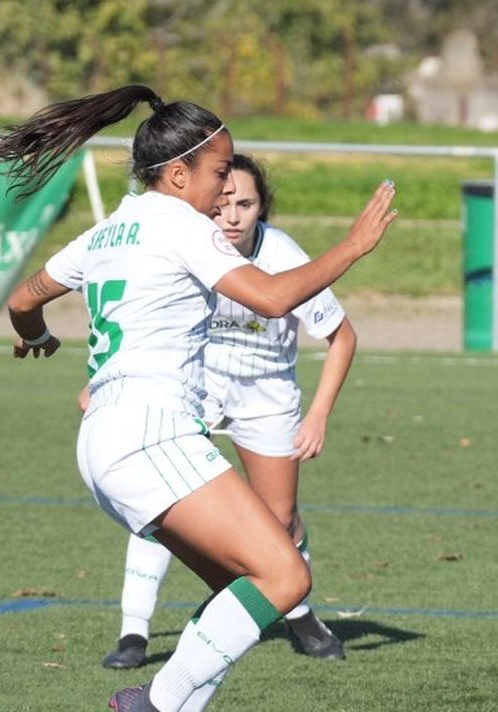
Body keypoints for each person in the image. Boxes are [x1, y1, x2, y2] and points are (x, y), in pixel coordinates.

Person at [0, 85, 396, 712]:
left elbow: (22, 299)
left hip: (104, 440)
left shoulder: (108, 230)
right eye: (217, 172)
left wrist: (39, 338)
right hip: (152, 432)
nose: (224, 188)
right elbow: (269, 299)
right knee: (287, 577)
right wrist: (354, 246)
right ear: (178, 176)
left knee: (240, 596)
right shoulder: (179, 224)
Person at [100, 152, 358, 670]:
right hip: (196, 384)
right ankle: (134, 633)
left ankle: (299, 611)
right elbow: (131, 314)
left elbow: (343, 336)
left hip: (267, 393)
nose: (233, 214)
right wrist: (105, 383)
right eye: (224, 202)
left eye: (247, 203)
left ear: (263, 207)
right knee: (161, 507)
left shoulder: (281, 253)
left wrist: (319, 414)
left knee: (277, 520)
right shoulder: (186, 242)